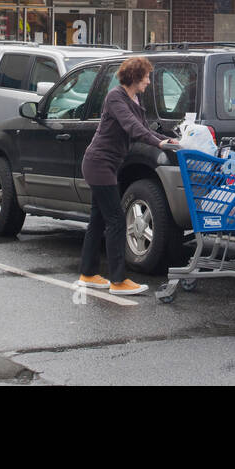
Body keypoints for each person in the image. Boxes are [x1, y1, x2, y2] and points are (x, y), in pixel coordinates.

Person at [77, 56, 177, 296]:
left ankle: (88, 274)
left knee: (99, 219)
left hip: (109, 164)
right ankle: (118, 280)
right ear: (134, 77)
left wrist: (170, 138)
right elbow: (133, 128)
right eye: (146, 77)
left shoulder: (134, 98)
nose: (149, 82)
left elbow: (145, 126)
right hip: (99, 163)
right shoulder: (115, 97)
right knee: (116, 220)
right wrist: (160, 145)